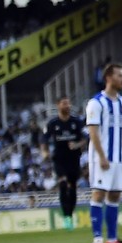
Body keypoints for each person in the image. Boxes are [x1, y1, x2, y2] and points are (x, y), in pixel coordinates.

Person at [86, 63, 122, 243]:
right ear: (108, 78)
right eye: (119, 76)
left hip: (118, 157)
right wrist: (102, 156)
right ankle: (97, 238)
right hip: (101, 157)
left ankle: (112, 240)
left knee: (115, 195)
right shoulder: (96, 103)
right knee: (99, 193)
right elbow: (93, 132)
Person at [43, 96, 86, 230]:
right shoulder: (53, 123)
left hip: (74, 159)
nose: (67, 106)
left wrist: (77, 144)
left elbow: (86, 137)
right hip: (59, 159)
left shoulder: (77, 121)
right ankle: (66, 216)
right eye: (64, 103)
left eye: (68, 103)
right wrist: (44, 152)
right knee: (62, 183)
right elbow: (43, 139)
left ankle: (69, 215)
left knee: (72, 186)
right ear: (58, 105)